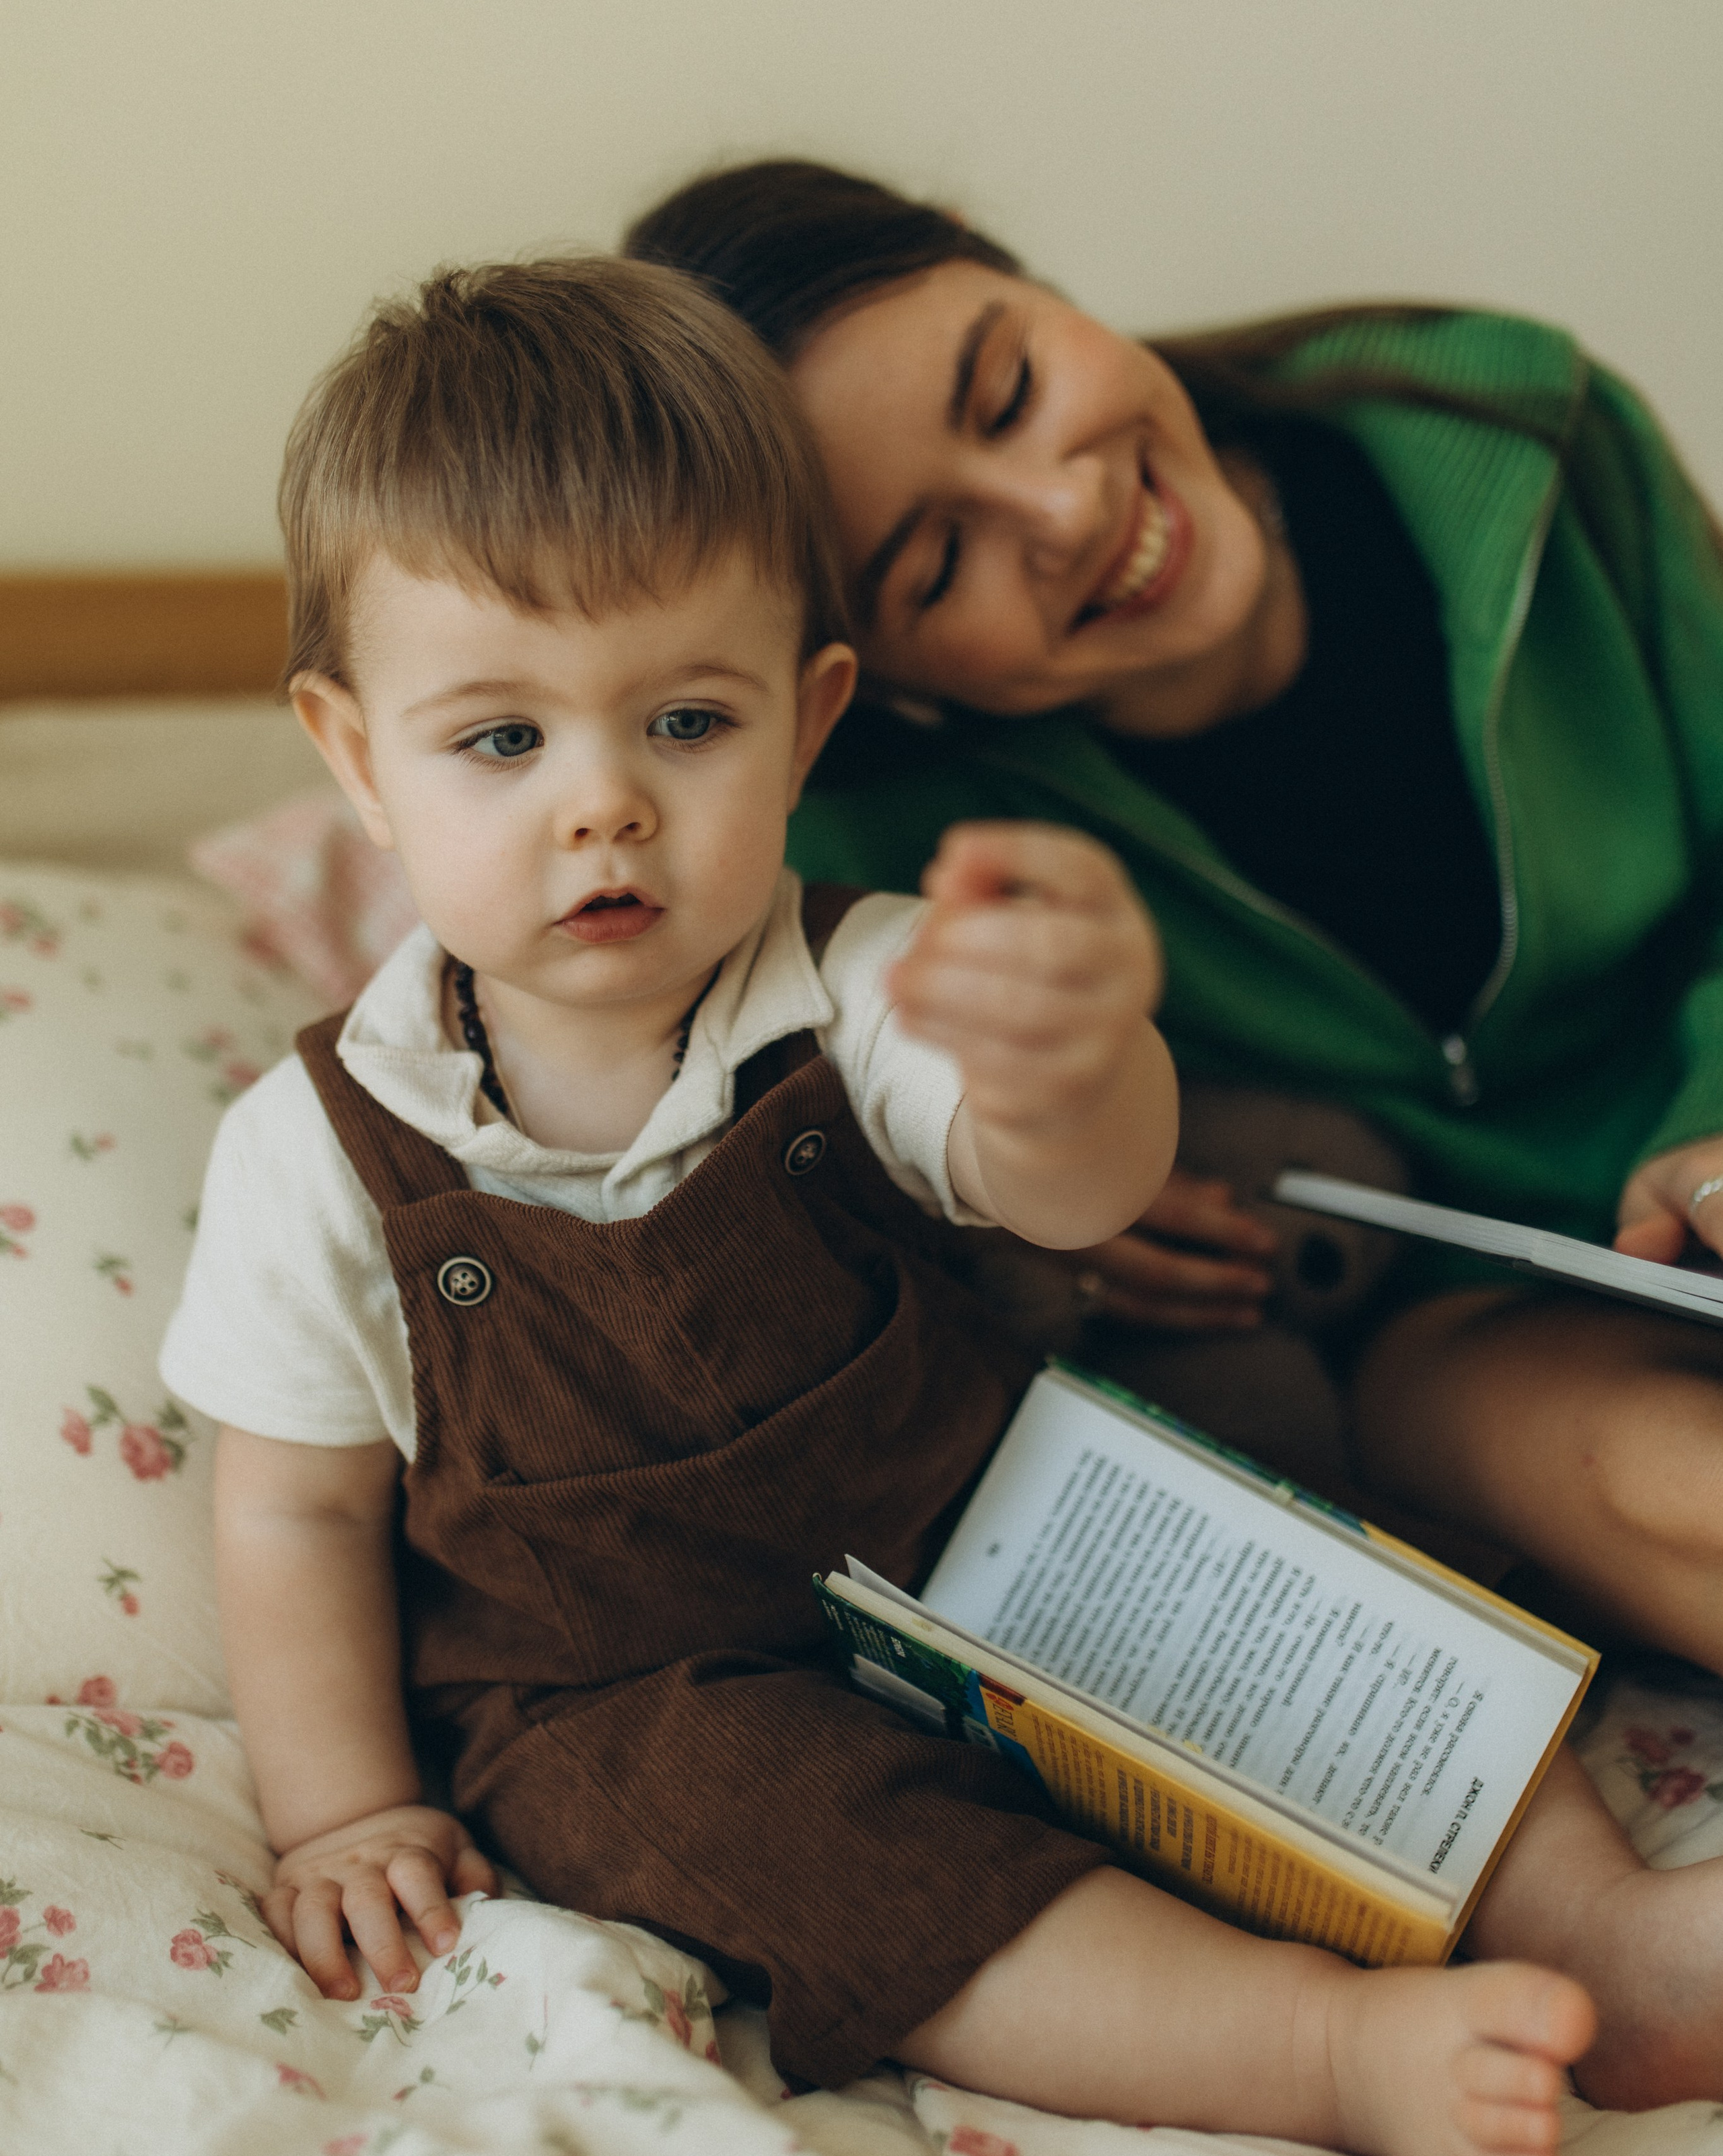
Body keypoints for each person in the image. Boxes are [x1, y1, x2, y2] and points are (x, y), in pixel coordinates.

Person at [162, 253, 1723, 2156]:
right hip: (652, 1683)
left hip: (990, 1528)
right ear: (353, 751)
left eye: (688, 718)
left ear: (812, 722)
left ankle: (1611, 1936)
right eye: (500, 743)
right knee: (864, 1881)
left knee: (1299, 1627)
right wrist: (347, 1809)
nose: (607, 809)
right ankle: (1334, 2055)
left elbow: (1064, 1181)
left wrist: (1077, 1055)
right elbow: (291, 1515)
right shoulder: (321, 1151)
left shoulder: (863, 977)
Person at [624, 159, 1723, 1664]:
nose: (1063, 508)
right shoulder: (867, 844)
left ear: (1036, 282)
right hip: (1454, 1318)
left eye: (1007, 388)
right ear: (877, 684)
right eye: (939, 566)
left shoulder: (1516, 434)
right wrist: (1046, 1216)